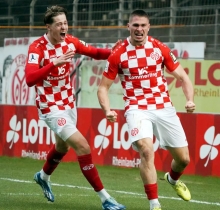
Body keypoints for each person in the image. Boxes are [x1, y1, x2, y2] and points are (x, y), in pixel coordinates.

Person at [24, 5, 125, 210]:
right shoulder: (37, 48)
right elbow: (29, 79)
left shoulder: (69, 42)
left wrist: (113, 52)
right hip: (50, 107)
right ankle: (106, 199)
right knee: (83, 146)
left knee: (62, 147)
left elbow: (94, 52)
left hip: (68, 103)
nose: (64, 27)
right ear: (48, 27)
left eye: (65, 23)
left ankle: (42, 176)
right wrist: (54, 63)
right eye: (59, 24)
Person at [97, 9, 195, 210]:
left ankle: (173, 179)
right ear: (129, 27)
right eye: (135, 25)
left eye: (143, 25)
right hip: (136, 108)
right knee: (146, 148)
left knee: (183, 159)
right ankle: (154, 204)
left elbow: (183, 77)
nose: (139, 29)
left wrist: (190, 100)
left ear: (148, 27)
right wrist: (107, 110)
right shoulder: (118, 53)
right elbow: (103, 87)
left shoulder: (159, 49)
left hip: (163, 107)